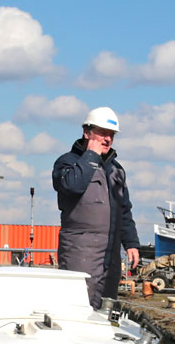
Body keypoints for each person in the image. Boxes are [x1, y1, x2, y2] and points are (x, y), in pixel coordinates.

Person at [53, 106, 141, 308]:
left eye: (111, 135)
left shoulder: (116, 171)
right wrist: (91, 157)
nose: (107, 139)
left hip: (110, 255)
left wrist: (131, 243)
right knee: (76, 307)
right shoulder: (66, 163)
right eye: (102, 133)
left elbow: (124, 210)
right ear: (87, 132)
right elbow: (71, 186)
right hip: (80, 250)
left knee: (105, 310)